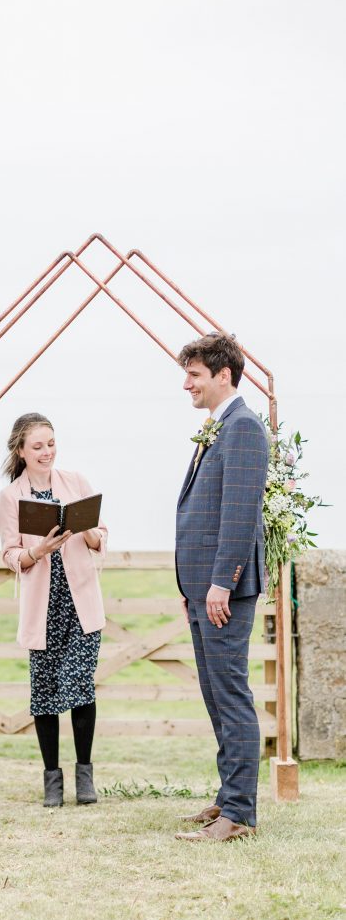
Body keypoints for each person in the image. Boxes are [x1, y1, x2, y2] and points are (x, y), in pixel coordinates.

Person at [174, 334, 269, 843]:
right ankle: (228, 796)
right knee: (216, 695)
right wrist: (194, 584)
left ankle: (240, 814)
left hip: (223, 590)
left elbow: (239, 515)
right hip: (201, 587)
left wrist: (219, 584)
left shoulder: (245, 428)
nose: (186, 383)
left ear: (223, 375)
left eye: (194, 374)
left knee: (231, 695)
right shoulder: (218, 427)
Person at [0, 413, 108, 807]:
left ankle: (85, 777)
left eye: (51, 443)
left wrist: (87, 530)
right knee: (44, 693)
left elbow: (100, 537)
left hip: (81, 604)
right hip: (43, 607)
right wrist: (37, 551)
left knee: (80, 686)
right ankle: (52, 781)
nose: (47, 452)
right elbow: (11, 553)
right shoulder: (12, 497)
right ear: (21, 451)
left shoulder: (75, 482)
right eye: (38, 446)